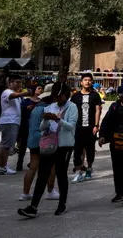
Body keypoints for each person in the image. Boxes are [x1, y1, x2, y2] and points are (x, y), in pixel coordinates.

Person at [18, 82, 79, 218]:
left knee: (61, 174)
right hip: (49, 144)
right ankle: (33, 206)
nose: (58, 99)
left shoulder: (72, 107)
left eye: (60, 96)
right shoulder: (50, 107)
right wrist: (46, 120)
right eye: (56, 96)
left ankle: (62, 204)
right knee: (42, 175)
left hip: (64, 145)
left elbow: (71, 126)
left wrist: (58, 120)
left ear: (66, 95)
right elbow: (42, 128)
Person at [20, 84, 59, 202]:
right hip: (46, 141)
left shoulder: (36, 108)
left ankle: (25, 193)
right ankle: (50, 191)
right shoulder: (49, 108)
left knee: (33, 166)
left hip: (32, 139)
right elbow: (52, 126)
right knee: (51, 166)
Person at [71, 73, 103, 182]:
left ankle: (89, 169)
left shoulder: (95, 95)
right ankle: (79, 172)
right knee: (77, 151)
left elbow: (98, 110)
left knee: (90, 150)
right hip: (78, 127)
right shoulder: (75, 96)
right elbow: (72, 110)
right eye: (85, 80)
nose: (87, 82)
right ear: (81, 82)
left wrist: (96, 125)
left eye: (89, 80)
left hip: (90, 127)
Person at [0, 75, 32, 175]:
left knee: (7, 145)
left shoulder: (16, 95)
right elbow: (12, 96)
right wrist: (24, 93)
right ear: (10, 83)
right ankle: (2, 167)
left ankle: (3, 166)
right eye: (17, 82)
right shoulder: (7, 92)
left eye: (20, 82)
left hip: (14, 121)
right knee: (5, 145)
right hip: (8, 121)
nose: (19, 84)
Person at [17, 84, 43, 172]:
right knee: (23, 144)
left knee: (38, 145)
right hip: (26, 125)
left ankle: (34, 162)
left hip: (38, 126)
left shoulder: (42, 102)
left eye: (41, 88)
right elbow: (20, 113)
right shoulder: (26, 101)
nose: (41, 90)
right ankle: (19, 163)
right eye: (39, 88)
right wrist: (26, 109)